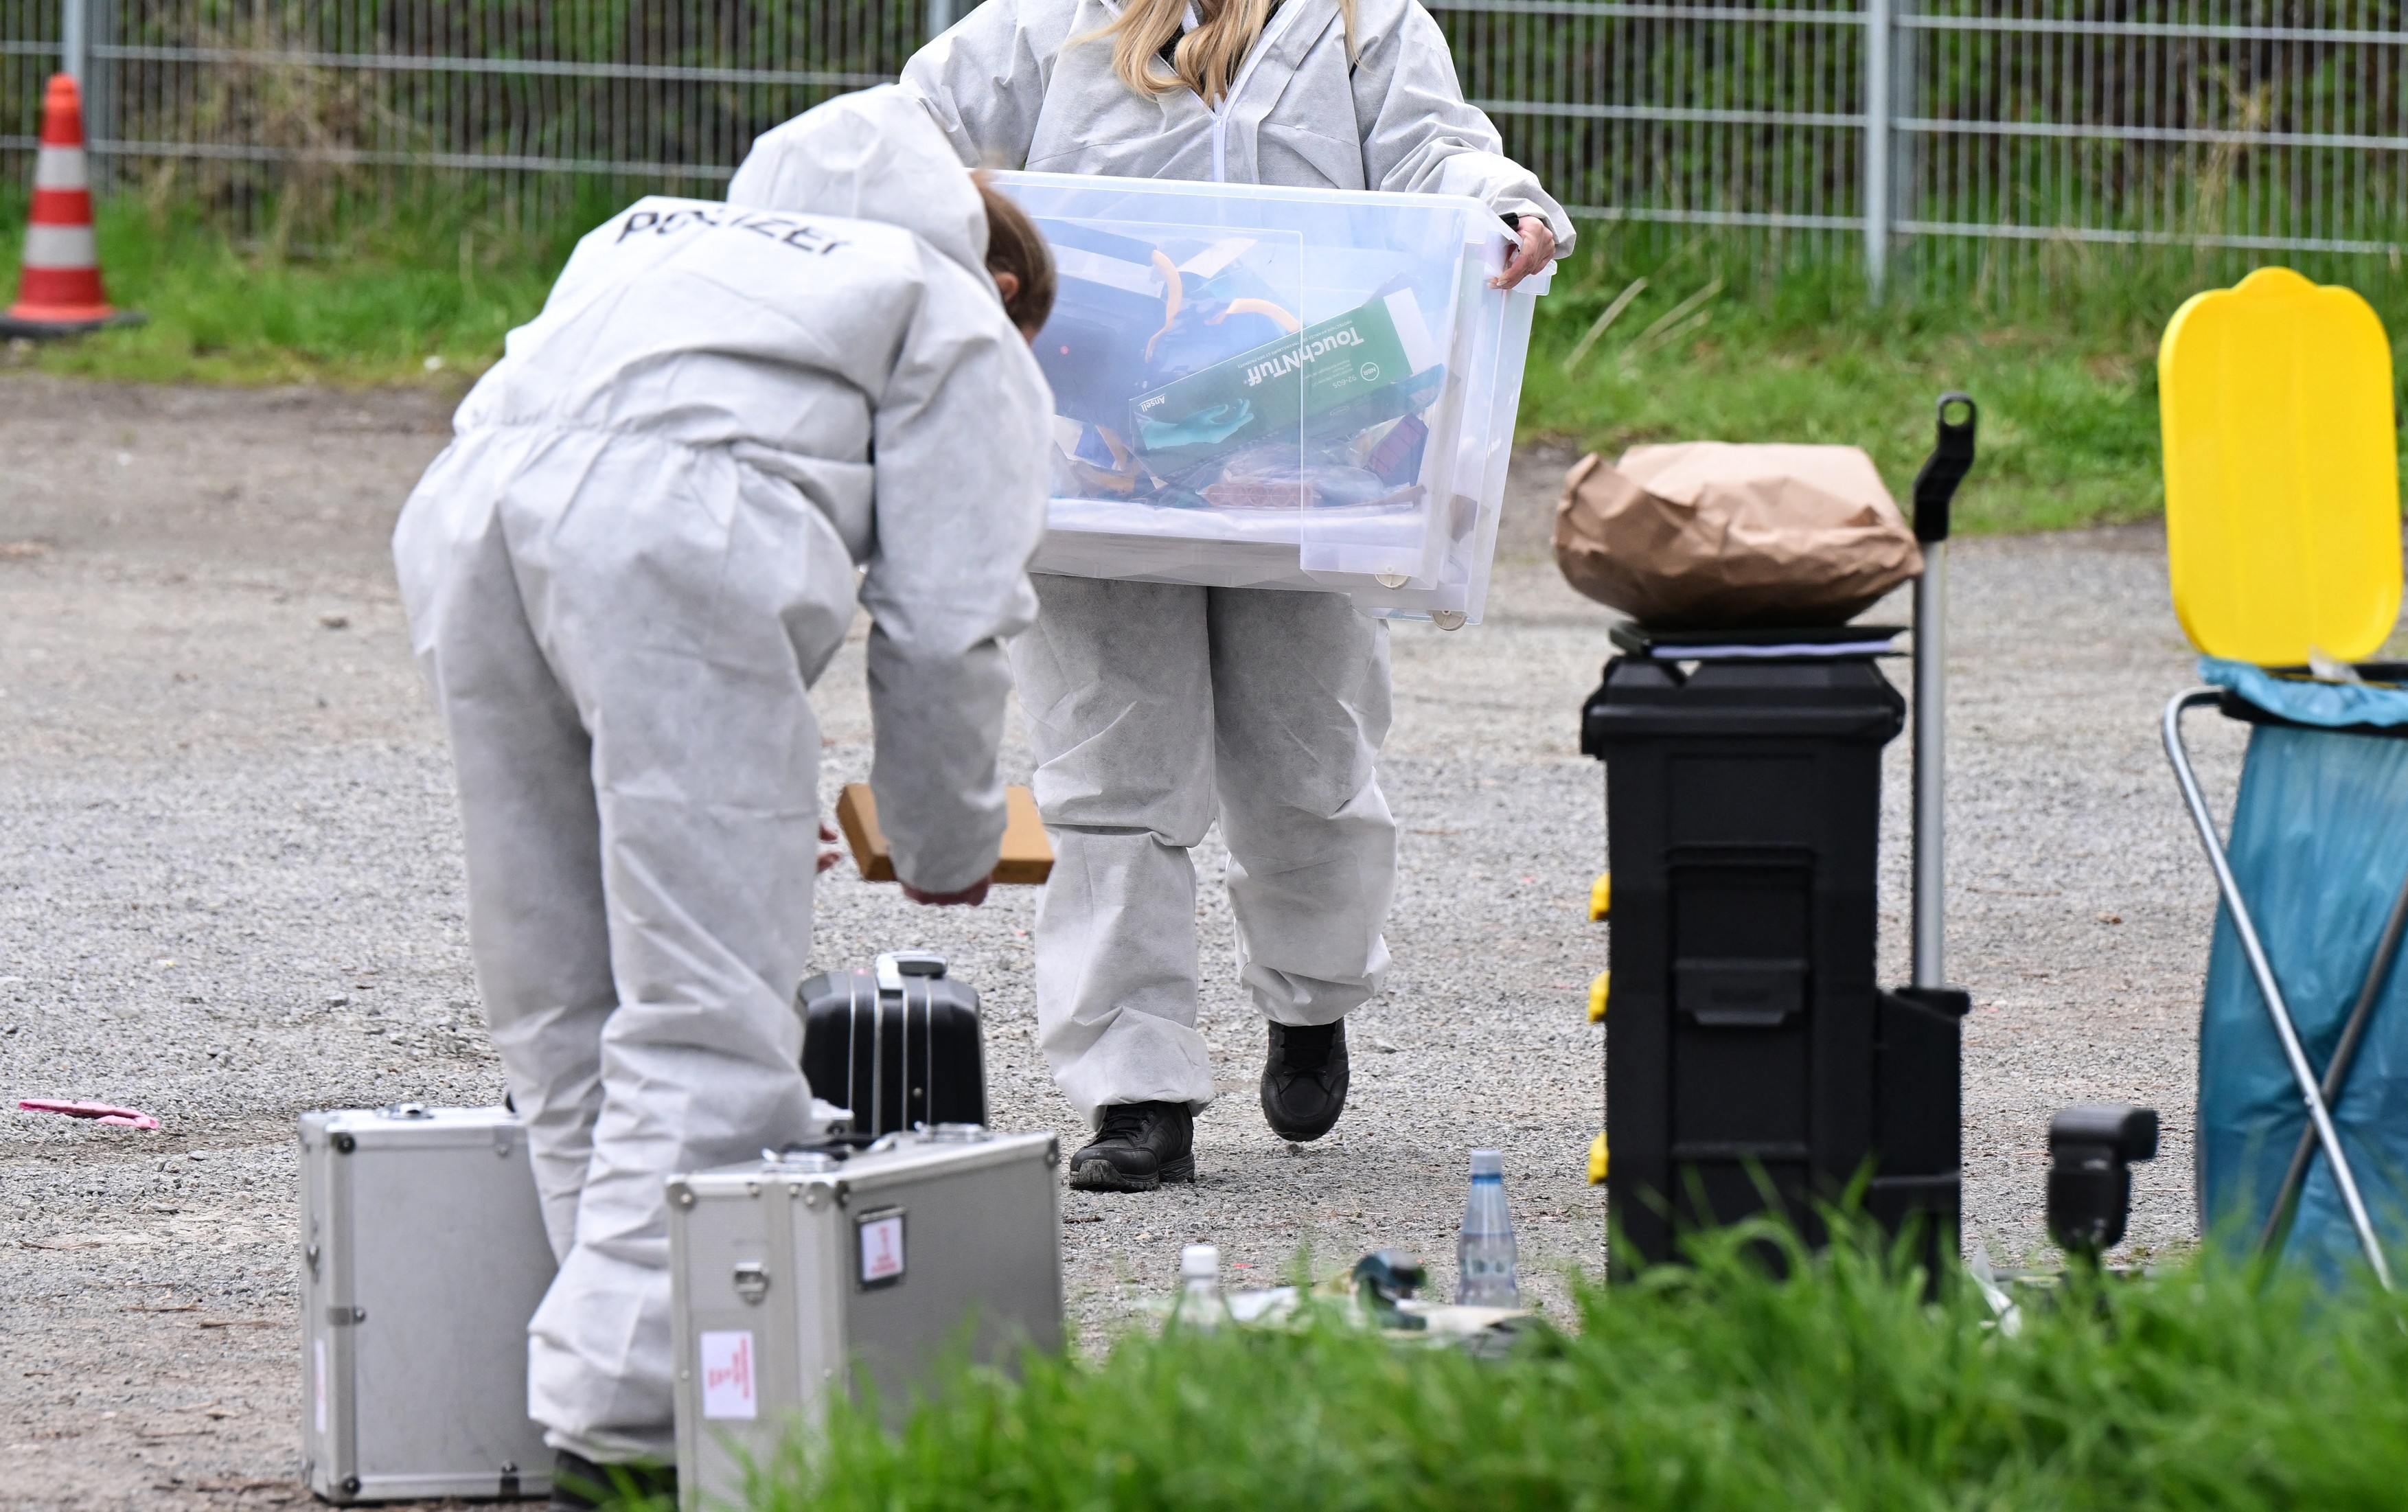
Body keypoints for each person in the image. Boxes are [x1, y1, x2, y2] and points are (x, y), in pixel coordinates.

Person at [390, 86, 1055, 1507]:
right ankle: (621, 1436)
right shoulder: (939, 308)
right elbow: (948, 619)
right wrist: (941, 841)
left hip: (466, 521)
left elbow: (549, 431)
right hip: (677, 553)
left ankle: (634, 1360)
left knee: (563, 998)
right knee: (708, 1016)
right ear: (998, 271)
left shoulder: (644, 237)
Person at [899, 0, 1572, 1191]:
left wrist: (1503, 203)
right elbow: (913, 127)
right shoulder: (1050, 19)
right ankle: (1137, 1089)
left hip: (1306, 453)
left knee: (1308, 752)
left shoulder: (1361, 23)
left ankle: (1310, 996)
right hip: (1095, 461)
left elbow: (1435, 146)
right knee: (1111, 770)